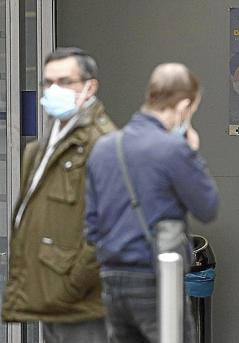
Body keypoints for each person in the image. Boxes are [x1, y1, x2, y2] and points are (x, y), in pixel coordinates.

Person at [85, 63, 219, 343]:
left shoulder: (105, 148)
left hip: (110, 279)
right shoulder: (173, 149)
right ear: (184, 104)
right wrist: (192, 153)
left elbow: (90, 225)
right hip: (157, 279)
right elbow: (207, 207)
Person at [2, 47, 116, 342]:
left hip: (82, 302)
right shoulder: (42, 148)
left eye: (65, 82)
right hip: (50, 295)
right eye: (48, 82)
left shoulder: (105, 146)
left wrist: (71, 285)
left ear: (90, 87)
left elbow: (108, 231)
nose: (54, 90)